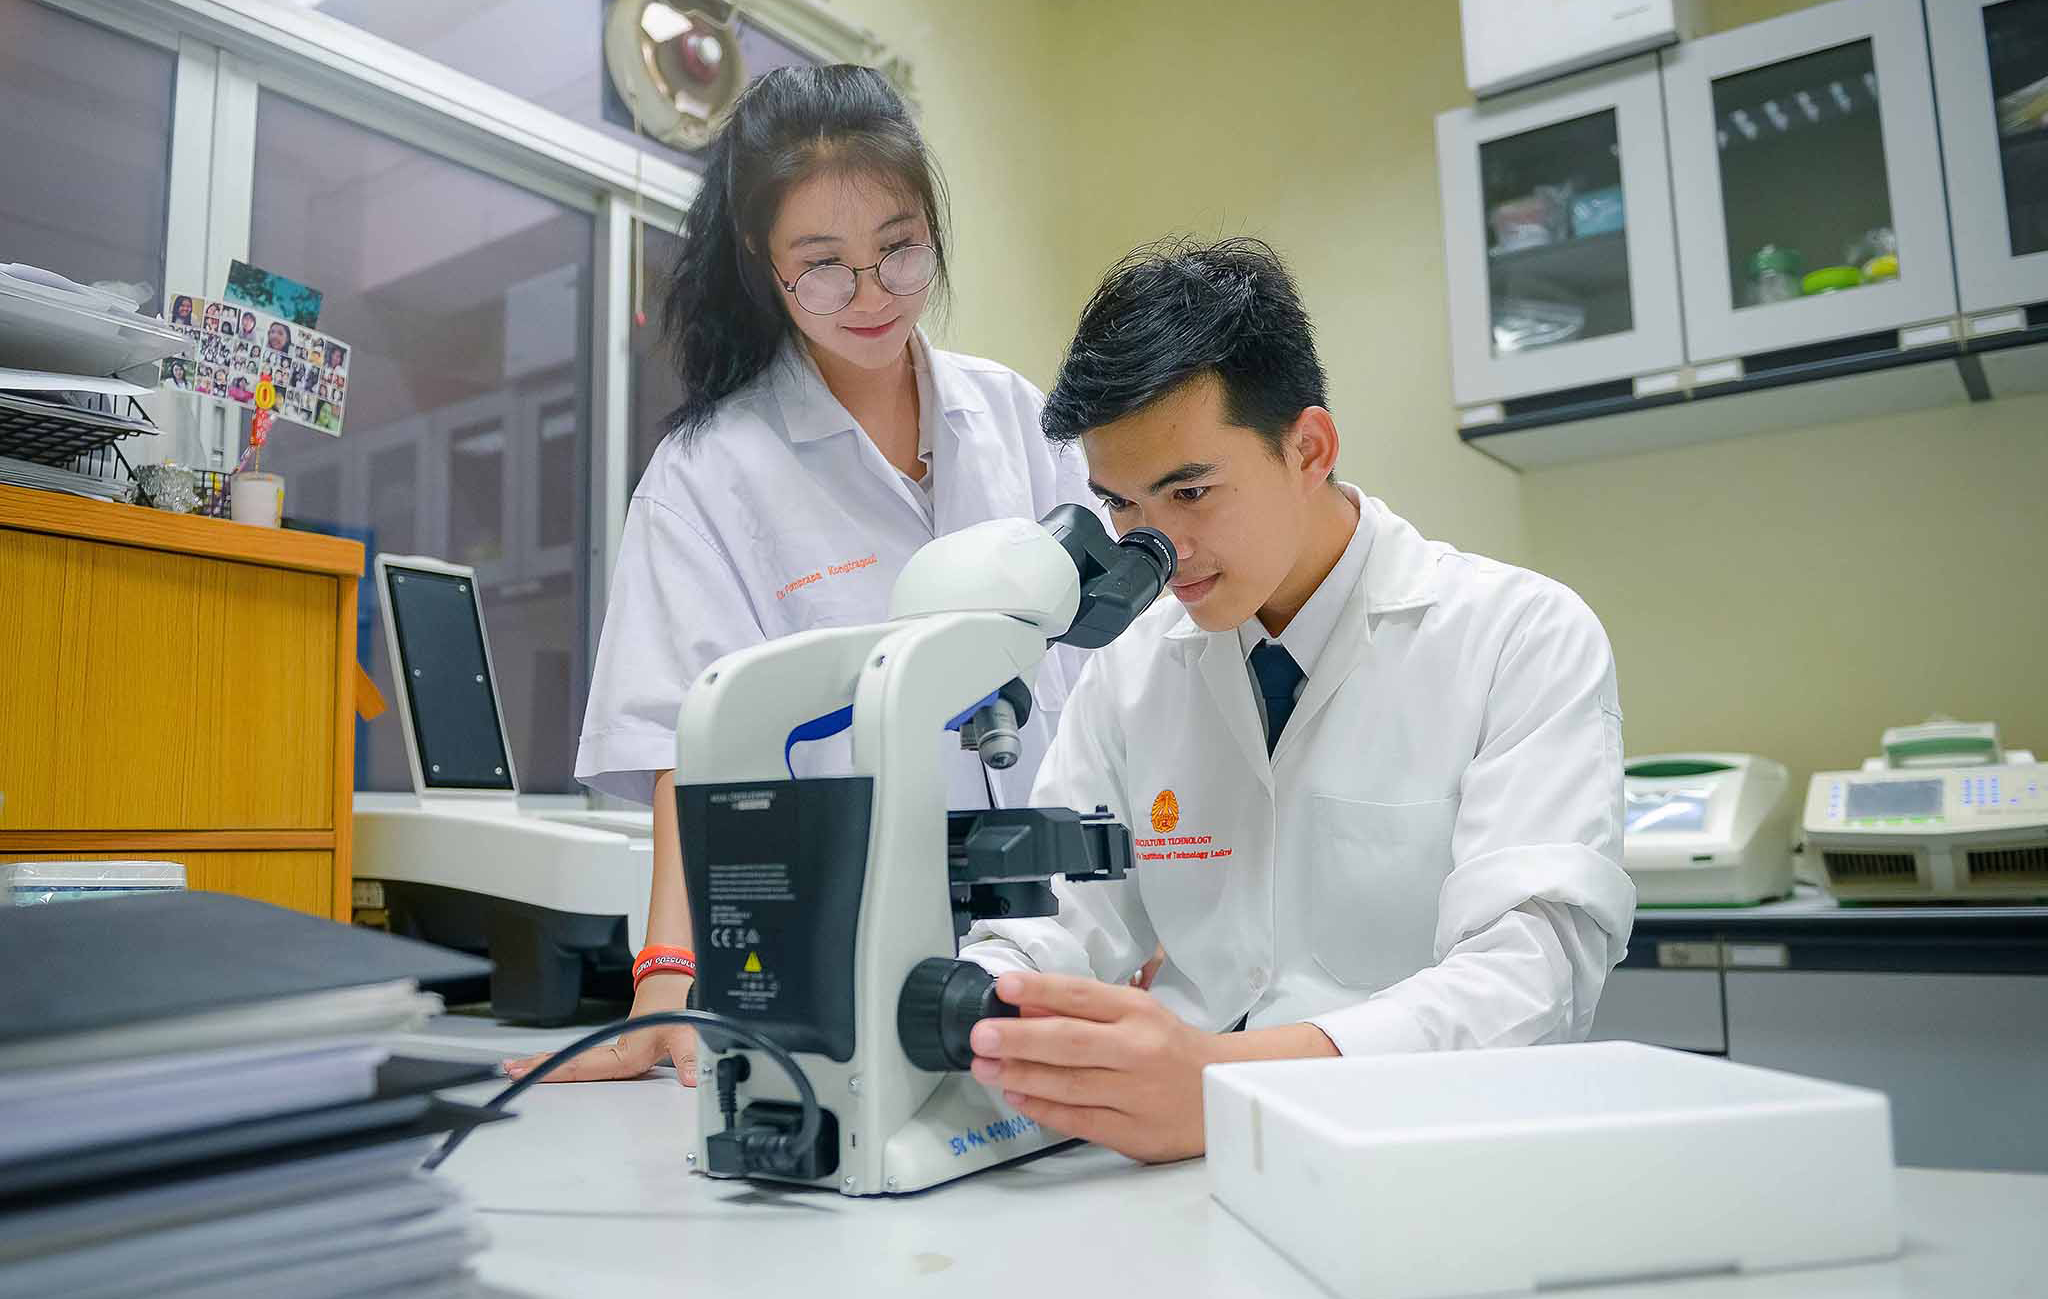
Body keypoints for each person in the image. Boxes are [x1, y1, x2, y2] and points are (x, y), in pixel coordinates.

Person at [959, 238, 1634, 1164]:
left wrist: (1225, 1081)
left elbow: (1532, 974)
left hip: (1423, 1152)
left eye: (1190, 491)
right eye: (1122, 507)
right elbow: (1066, 920)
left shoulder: (1519, 637)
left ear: (1309, 448)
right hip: (1176, 1163)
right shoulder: (1131, 667)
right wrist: (982, 996)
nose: (1159, 549)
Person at [504, 64, 1098, 1088]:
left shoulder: (1018, 420)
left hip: (1067, 945)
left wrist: (1153, 911)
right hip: (852, 965)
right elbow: (687, 744)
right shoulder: (709, 475)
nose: (871, 295)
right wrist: (664, 982)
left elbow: (1108, 681)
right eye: (822, 266)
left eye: (900, 249)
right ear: (759, 257)